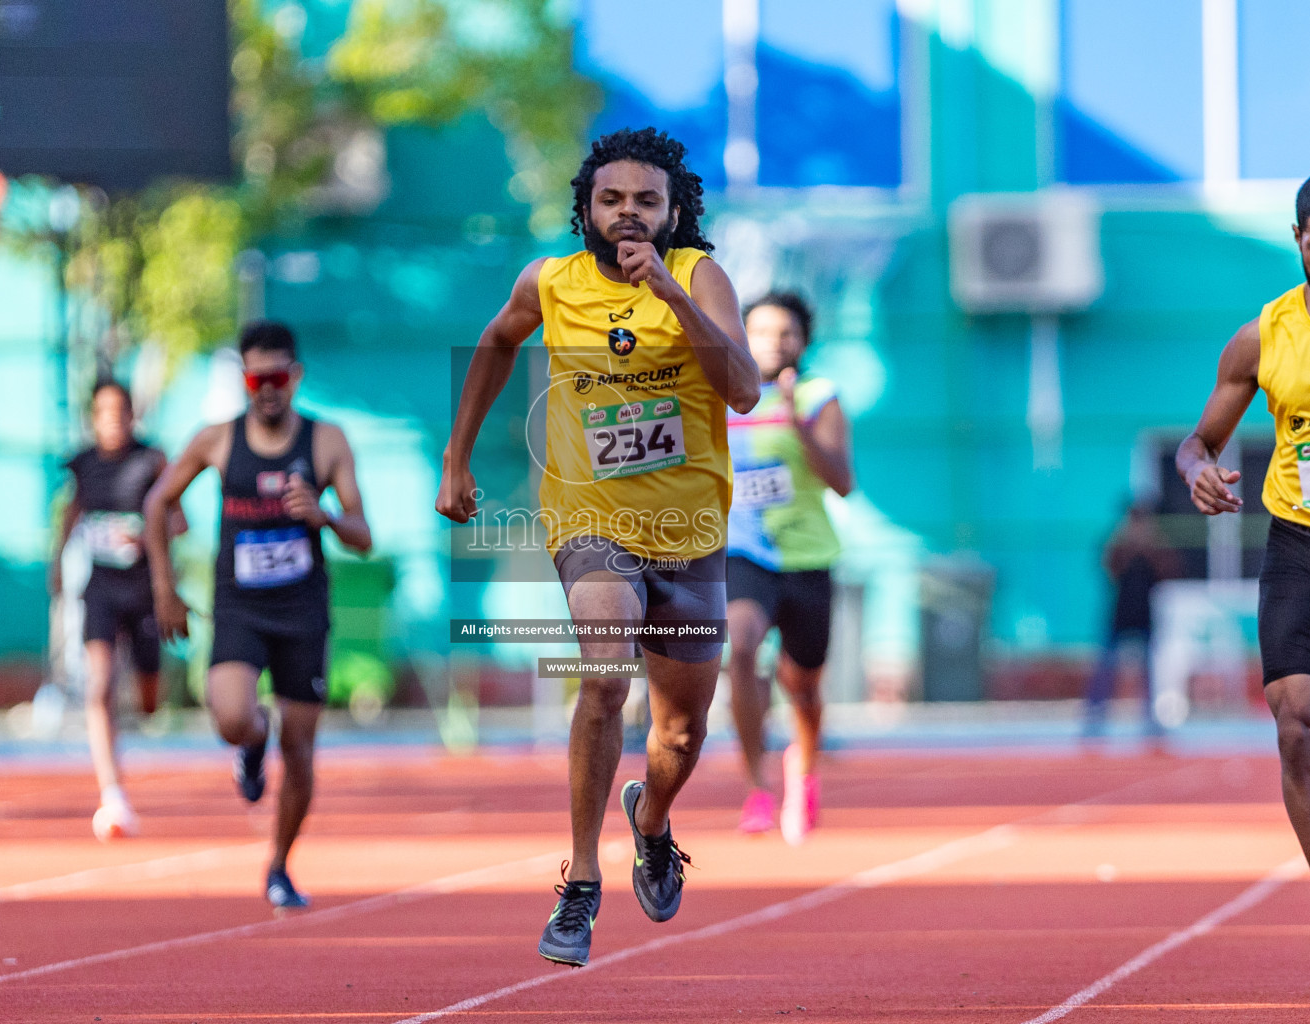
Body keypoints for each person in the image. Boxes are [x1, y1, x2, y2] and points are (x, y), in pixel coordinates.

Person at [436, 127, 761, 967]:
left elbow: (744, 389)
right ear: (586, 206)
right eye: (611, 200)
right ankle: (581, 882)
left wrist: (673, 299)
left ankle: (650, 818)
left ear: (673, 212)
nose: (627, 215)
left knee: (681, 737)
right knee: (606, 676)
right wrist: (457, 456)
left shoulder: (699, 277)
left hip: (689, 534)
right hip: (592, 524)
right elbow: (496, 343)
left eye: (645, 202)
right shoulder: (551, 283)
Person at [1177, 167, 1310, 996]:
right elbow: (1199, 441)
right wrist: (1198, 471)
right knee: (1298, 728)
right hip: (1303, 550)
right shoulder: (1263, 336)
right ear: (1298, 243)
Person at [143, 320, 371, 910]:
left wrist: (322, 517)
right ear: (243, 380)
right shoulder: (217, 440)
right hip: (240, 608)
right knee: (231, 718)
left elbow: (363, 534)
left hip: (302, 612)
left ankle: (279, 864)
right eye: (254, 378)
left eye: (276, 377)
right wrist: (164, 589)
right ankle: (251, 741)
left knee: (300, 751)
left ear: (294, 378)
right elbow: (157, 502)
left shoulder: (326, 442)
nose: (265, 389)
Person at [725, 292, 853, 844]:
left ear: (804, 340)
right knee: (742, 644)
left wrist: (795, 423)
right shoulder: (720, 396)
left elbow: (842, 481)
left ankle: (804, 771)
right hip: (742, 552)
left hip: (806, 556)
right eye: (761, 331)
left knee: (802, 685)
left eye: (787, 333)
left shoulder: (818, 397)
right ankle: (756, 788)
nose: (775, 343)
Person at [52, 381, 172, 839]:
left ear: (131, 415)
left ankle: (146, 698)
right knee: (99, 685)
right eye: (103, 412)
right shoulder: (82, 464)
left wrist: (147, 535)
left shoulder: (151, 460)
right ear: (93, 417)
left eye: (120, 411)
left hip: (144, 592)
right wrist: (58, 561)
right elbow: (72, 510)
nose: (112, 421)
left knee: (147, 701)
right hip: (101, 589)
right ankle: (112, 792)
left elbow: (178, 519)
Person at [1081, 500, 1176, 737]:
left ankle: (1151, 719)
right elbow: (1108, 568)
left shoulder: (1155, 544)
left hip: (1144, 615)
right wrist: (1129, 546)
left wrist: (1149, 546)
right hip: (1119, 615)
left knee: (1149, 672)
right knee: (1106, 668)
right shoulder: (1119, 543)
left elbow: (1169, 572)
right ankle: (1095, 717)